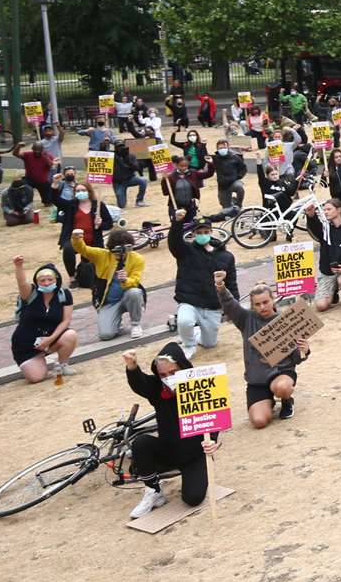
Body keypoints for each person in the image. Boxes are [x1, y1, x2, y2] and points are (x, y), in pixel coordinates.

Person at [122, 344, 219, 518]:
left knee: (193, 498)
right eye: (163, 375)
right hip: (168, 449)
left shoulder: (201, 384)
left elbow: (213, 417)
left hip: (195, 454)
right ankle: (154, 490)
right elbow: (140, 383)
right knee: (141, 443)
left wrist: (212, 441)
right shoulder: (157, 389)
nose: (168, 378)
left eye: (173, 373)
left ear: (183, 368)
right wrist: (132, 366)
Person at [218, 273, 309, 427]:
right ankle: (267, 401)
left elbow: (296, 359)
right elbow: (229, 305)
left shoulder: (286, 320)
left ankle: (287, 400)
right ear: (252, 305)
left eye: (265, 302)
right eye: (257, 304)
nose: (262, 307)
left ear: (273, 300)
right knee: (259, 422)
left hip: (281, 374)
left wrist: (304, 350)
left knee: (282, 388)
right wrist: (221, 287)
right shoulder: (246, 319)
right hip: (257, 380)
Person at [169, 217, 237, 359]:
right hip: (190, 302)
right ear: (193, 234)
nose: (202, 235)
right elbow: (174, 242)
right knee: (184, 321)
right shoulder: (186, 251)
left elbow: (232, 283)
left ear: (211, 232)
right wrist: (177, 222)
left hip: (213, 306)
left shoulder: (226, 256)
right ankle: (188, 345)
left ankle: (192, 333)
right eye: (199, 232)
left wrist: (233, 308)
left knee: (209, 343)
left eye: (206, 231)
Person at [10, 257, 78, 382]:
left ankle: (62, 364)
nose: (46, 283)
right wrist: (19, 266)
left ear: (56, 280)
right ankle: (38, 360)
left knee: (70, 335)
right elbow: (21, 283)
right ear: (37, 281)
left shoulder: (64, 294)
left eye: (50, 279)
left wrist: (49, 340)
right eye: (42, 280)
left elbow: (66, 320)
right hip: (26, 343)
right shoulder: (30, 293)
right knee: (36, 378)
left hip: (50, 339)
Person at [72, 228, 147, 340]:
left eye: (126, 249)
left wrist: (126, 280)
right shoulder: (102, 255)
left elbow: (135, 279)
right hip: (109, 302)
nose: (121, 254)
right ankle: (116, 323)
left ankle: (135, 324)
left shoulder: (137, 259)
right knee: (106, 335)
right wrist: (77, 238)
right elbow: (83, 249)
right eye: (116, 251)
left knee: (134, 292)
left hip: (128, 297)